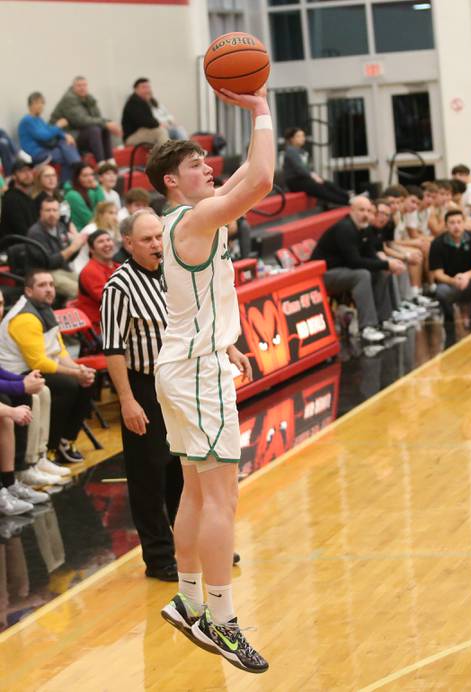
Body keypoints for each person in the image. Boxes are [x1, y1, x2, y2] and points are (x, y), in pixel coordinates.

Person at [145, 85, 273, 673]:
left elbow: (246, 171)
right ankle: (222, 621)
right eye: (197, 164)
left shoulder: (188, 216)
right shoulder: (195, 218)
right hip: (194, 371)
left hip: (189, 362)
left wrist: (226, 348)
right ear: (173, 180)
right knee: (222, 494)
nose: (208, 167)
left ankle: (189, 599)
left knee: (198, 490)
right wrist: (261, 109)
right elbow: (264, 179)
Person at [102, 209, 182, 582]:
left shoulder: (173, 273)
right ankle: (160, 558)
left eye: (158, 237)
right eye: (147, 239)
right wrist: (127, 399)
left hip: (179, 383)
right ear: (128, 243)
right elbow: (113, 349)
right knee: (149, 476)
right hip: (144, 386)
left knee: (186, 467)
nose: (155, 244)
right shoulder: (118, 286)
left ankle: (193, 544)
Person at [0, 270, 95, 465]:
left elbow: (59, 351)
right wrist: (74, 374)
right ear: (28, 290)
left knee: (87, 381)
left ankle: (65, 441)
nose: (50, 290)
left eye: (51, 284)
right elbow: (39, 363)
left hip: (31, 370)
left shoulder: (46, 310)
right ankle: (48, 449)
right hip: (18, 371)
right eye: (42, 285)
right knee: (67, 385)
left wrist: (80, 370)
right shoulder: (25, 317)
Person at [311, 196, 408, 344]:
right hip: (323, 275)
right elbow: (354, 262)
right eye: (361, 210)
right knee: (362, 275)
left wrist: (388, 264)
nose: (365, 214)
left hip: (344, 271)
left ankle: (384, 319)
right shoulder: (345, 228)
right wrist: (386, 264)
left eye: (369, 210)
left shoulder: (365, 228)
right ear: (351, 210)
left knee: (381, 270)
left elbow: (371, 255)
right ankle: (367, 326)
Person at [429, 209, 471, 329]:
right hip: (451, 284)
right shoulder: (437, 243)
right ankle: (449, 315)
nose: (456, 226)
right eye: (452, 223)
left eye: (459, 222)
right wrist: (453, 280)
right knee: (441, 291)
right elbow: (437, 273)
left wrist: (467, 276)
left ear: (464, 223)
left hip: (470, 282)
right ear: (446, 225)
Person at [49, 77, 122, 164]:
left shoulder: (89, 98)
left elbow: (97, 117)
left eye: (84, 85)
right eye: (79, 85)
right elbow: (81, 120)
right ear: (73, 87)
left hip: (80, 132)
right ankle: (101, 164)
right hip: (66, 135)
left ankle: (110, 161)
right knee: (95, 130)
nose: (82, 88)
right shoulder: (69, 99)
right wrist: (106, 123)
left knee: (103, 128)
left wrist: (108, 123)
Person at [27, 196, 86, 300]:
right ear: (41, 212)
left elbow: (68, 257)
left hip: (63, 269)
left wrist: (78, 245)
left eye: (55, 210)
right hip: (44, 273)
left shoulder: (60, 227)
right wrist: (73, 248)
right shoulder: (35, 233)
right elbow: (49, 263)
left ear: (59, 212)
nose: (51, 214)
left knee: (87, 286)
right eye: (48, 210)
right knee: (78, 291)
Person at [17, 92, 81, 183]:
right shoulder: (27, 121)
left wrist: (65, 135)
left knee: (65, 142)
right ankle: (74, 169)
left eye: (43, 103)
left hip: (45, 149)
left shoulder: (38, 119)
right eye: (40, 103)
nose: (42, 106)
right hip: (36, 153)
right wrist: (58, 125)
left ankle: (75, 164)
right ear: (32, 104)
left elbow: (49, 129)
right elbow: (44, 136)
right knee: (66, 157)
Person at [282, 127, 350, 206]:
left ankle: (348, 197)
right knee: (320, 187)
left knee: (326, 183)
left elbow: (305, 168)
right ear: (291, 139)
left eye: (303, 136)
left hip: (303, 179)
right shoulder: (291, 151)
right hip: (295, 181)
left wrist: (314, 176)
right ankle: (346, 201)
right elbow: (299, 168)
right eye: (298, 136)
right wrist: (313, 176)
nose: (302, 138)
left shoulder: (301, 151)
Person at [75, 230, 119, 330]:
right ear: (91, 249)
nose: (107, 244)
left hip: (116, 322)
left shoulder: (118, 266)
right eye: (101, 241)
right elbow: (109, 299)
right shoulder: (90, 271)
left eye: (108, 240)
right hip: (101, 328)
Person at [74, 201, 121, 274]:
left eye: (116, 213)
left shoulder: (113, 230)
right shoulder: (91, 229)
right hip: (84, 266)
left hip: (103, 266)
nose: (114, 217)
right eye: (111, 213)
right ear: (101, 214)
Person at [122, 78, 168, 148]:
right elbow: (145, 122)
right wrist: (159, 124)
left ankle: (180, 154)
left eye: (148, 87)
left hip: (141, 133)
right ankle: (168, 157)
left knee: (173, 130)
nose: (147, 90)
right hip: (131, 137)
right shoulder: (133, 103)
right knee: (159, 132)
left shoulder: (144, 101)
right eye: (144, 87)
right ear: (136, 89)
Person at [0, 161, 38, 239]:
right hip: (16, 247)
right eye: (22, 171)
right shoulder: (11, 199)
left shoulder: (28, 198)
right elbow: (22, 231)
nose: (28, 174)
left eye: (29, 170)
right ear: (13, 176)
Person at [63, 165, 104, 230]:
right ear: (77, 178)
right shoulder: (72, 195)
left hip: (92, 229)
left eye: (91, 175)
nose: (90, 179)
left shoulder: (91, 192)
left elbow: (102, 208)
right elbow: (89, 219)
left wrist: (97, 189)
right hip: (80, 233)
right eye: (85, 176)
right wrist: (98, 189)